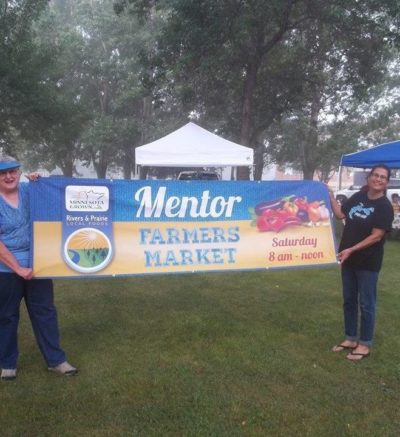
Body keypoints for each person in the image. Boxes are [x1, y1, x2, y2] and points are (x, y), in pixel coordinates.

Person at [0, 154, 77, 380]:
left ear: (19, 171)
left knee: (45, 313)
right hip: (6, 270)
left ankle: (56, 361)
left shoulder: (29, 190)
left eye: (13, 171)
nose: (9, 176)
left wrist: (41, 181)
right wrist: (18, 268)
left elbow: (54, 200)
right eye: (3, 173)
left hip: (39, 266)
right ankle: (7, 364)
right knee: (6, 316)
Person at [329, 164, 393, 361]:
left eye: (383, 177)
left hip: (367, 262)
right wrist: (330, 196)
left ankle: (364, 344)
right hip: (348, 260)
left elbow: (376, 236)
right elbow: (341, 214)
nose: (378, 179)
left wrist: (351, 249)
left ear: (386, 182)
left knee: (366, 304)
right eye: (375, 175)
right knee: (349, 300)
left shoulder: (384, 206)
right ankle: (350, 338)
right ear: (369, 178)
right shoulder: (358, 197)